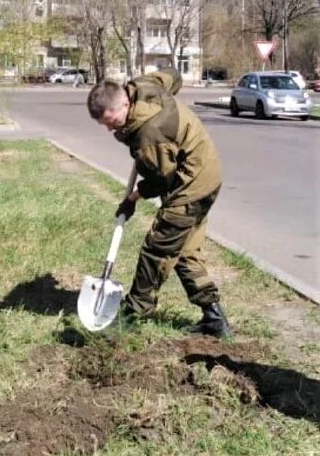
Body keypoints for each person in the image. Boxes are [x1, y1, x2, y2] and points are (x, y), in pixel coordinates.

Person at [87, 68, 232, 338]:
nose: (110, 129)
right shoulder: (142, 85)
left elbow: (162, 181)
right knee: (184, 249)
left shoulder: (147, 135)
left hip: (190, 185)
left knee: (157, 249)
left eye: (113, 121)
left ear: (125, 103)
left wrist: (134, 196)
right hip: (207, 170)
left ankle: (132, 314)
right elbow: (172, 76)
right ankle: (214, 318)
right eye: (104, 124)